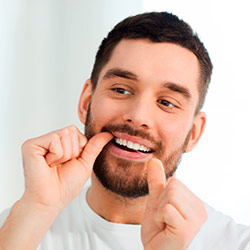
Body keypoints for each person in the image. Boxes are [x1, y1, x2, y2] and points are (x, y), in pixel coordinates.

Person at [0, 11, 249, 250]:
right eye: (121, 90)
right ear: (86, 102)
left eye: (166, 102)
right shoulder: (16, 226)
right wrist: (37, 209)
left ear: (193, 133)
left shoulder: (237, 244)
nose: (138, 116)